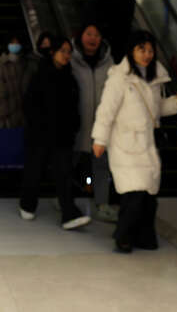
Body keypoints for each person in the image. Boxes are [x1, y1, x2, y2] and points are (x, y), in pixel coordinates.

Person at [91, 30, 177, 252]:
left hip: (147, 145)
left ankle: (144, 236)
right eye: (141, 49)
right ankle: (123, 236)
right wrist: (99, 139)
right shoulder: (119, 78)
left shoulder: (154, 78)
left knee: (148, 195)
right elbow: (106, 110)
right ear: (131, 51)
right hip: (125, 144)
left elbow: (156, 109)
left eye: (150, 50)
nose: (147, 54)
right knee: (133, 193)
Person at [20, 36, 91, 230]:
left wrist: (74, 125)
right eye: (63, 51)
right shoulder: (40, 76)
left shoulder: (70, 78)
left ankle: (69, 214)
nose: (66, 55)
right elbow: (29, 104)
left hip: (62, 136)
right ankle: (27, 204)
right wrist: (38, 125)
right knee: (35, 171)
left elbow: (73, 106)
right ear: (53, 52)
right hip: (40, 135)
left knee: (64, 174)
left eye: (69, 52)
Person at [70, 23, 115, 222]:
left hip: (101, 126)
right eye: (89, 34)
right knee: (69, 163)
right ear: (81, 36)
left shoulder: (109, 62)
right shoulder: (71, 60)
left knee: (101, 165)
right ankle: (66, 201)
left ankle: (102, 204)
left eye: (97, 35)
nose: (93, 38)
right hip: (76, 124)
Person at [0, 34, 27, 129]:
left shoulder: (25, 63)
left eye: (17, 43)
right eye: (12, 43)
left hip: (22, 118)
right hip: (5, 120)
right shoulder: (1, 64)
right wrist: (3, 114)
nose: (15, 45)